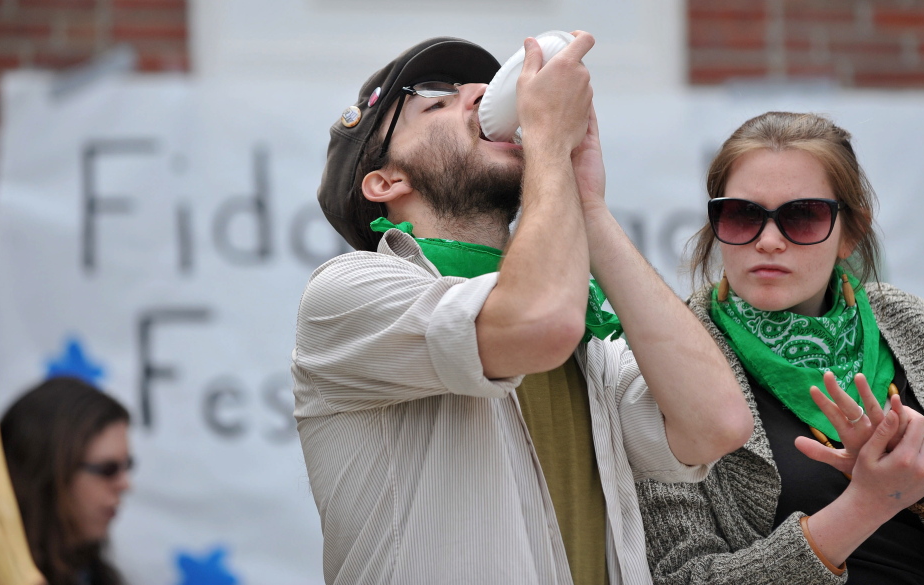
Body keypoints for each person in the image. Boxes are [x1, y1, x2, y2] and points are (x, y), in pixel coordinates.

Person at [292, 32, 753, 584]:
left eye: (484, 90)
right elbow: (537, 321)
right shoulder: (349, 289)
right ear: (386, 181)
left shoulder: (586, 339)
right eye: (436, 101)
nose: (482, 98)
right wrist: (551, 150)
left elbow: (718, 425)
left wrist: (588, 206)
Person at [636, 111, 924, 584]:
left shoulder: (907, 322)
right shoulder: (670, 350)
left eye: (803, 216)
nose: (768, 241)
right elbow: (683, 575)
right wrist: (867, 504)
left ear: (851, 231)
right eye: (743, 214)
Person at [0, 376, 133, 585]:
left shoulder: (94, 575)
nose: (125, 485)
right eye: (108, 469)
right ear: (49, 472)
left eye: (128, 465)